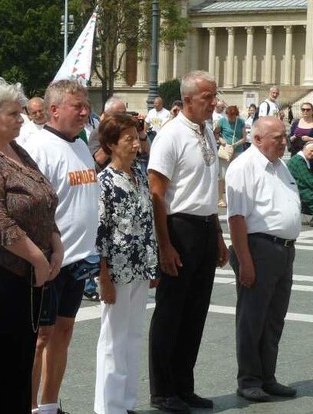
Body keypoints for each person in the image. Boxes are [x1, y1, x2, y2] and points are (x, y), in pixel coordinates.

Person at [0, 77, 62, 413]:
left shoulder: (17, 151)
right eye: (13, 113)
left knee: (20, 358)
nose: (22, 118)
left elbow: (44, 198)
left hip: (28, 273)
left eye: (21, 112)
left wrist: (56, 243)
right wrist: (38, 259)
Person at [147, 70, 229, 413]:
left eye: (214, 96)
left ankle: (184, 384)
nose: (214, 102)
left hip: (205, 227)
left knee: (195, 312)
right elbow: (156, 193)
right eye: (207, 97)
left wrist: (219, 238)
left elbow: (207, 192)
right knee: (170, 313)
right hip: (178, 228)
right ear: (189, 100)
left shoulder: (207, 131)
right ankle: (163, 390)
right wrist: (164, 245)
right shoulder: (171, 136)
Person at [22, 79, 99, 414]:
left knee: (64, 332)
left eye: (86, 106)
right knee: (40, 338)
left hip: (79, 257)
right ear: (53, 110)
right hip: (50, 260)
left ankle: (51, 405)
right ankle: (30, 406)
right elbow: (29, 207)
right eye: (77, 106)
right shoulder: (39, 148)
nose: (85, 111)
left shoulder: (81, 146)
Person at [226, 116, 301, 403]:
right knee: (252, 319)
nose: (284, 141)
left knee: (273, 319)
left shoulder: (280, 165)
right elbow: (236, 218)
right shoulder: (243, 167)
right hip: (258, 248)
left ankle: (267, 376)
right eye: (277, 137)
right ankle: (248, 379)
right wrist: (244, 261)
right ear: (257, 139)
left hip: (283, 250)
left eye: (284, 136)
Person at [94, 113, 158, 414]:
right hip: (117, 272)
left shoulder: (140, 175)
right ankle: (109, 406)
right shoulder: (104, 182)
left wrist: (152, 264)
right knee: (113, 340)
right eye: (128, 139)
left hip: (140, 267)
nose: (136, 144)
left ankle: (127, 402)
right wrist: (103, 277)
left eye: (136, 137)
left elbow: (148, 222)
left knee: (132, 336)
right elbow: (100, 232)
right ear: (110, 144)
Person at [214, 105, 245, 208]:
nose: (231, 118)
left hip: (237, 150)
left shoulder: (240, 122)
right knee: (222, 176)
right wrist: (221, 140)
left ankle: (234, 198)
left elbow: (244, 138)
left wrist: (236, 144)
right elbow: (216, 133)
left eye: (233, 116)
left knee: (237, 176)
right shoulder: (222, 121)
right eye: (229, 116)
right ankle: (220, 199)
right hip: (225, 150)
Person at [287, 141, 313, 217]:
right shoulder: (299, 161)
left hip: (298, 187)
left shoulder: (300, 159)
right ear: (304, 149)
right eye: (311, 151)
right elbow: (309, 181)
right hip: (298, 189)